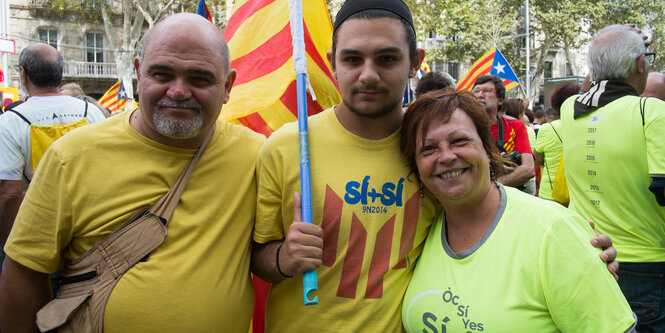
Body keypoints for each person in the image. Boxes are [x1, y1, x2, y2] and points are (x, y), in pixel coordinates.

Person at [250, 0, 617, 331]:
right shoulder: (285, 147)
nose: (368, 74)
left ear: (414, 61)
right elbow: (253, 257)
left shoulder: (430, 150)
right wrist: (283, 258)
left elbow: (491, 213)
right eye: (352, 59)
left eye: (387, 58)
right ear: (332, 62)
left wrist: (573, 251)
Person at [0, 13, 264, 332]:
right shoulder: (71, 156)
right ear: (139, 74)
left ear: (227, 86)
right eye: (162, 74)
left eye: (199, 78)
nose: (178, 91)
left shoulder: (256, 155)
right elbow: (24, 272)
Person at [400, 89, 636, 332]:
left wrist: (579, 251)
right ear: (415, 165)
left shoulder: (553, 231)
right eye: (428, 149)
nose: (447, 156)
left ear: (486, 147)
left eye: (459, 141)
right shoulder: (419, 230)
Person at [560, 24, 665, 332]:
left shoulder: (569, 111)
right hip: (646, 266)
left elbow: (587, 91)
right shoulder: (652, 111)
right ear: (640, 64)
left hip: (588, 255)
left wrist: (610, 46)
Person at [0, 43, 106, 261]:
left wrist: (7, 245)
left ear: (23, 73)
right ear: (60, 73)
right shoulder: (91, 111)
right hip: (89, 228)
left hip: (38, 232)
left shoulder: (11, 121)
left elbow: (10, 192)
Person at [472, 75, 535, 193]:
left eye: (486, 91)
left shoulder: (515, 126)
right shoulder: (463, 127)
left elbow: (528, 169)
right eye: (476, 91)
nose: (480, 95)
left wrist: (492, 185)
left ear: (500, 100)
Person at [534, 83, 579, 202]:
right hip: (578, 193)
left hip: (550, 191)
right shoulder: (586, 125)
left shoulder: (547, 128)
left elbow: (537, 159)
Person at [503, 98, 537, 195]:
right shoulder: (526, 130)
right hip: (524, 179)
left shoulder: (501, 128)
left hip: (506, 176)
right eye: (523, 113)